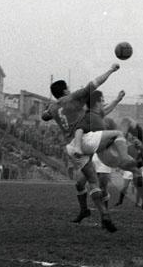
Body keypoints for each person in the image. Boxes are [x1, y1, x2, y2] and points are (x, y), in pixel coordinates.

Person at [41, 64, 121, 228]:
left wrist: (48, 112)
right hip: (87, 140)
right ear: (65, 90)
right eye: (68, 88)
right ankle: (119, 158)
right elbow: (96, 83)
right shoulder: (74, 98)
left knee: (91, 182)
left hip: (72, 147)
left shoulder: (54, 107)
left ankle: (103, 214)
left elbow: (44, 116)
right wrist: (111, 70)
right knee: (118, 135)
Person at [73, 90, 143, 221]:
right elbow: (79, 130)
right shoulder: (89, 118)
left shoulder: (97, 116)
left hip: (108, 153)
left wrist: (117, 99)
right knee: (125, 121)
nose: (104, 103)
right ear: (97, 103)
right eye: (102, 100)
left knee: (134, 171)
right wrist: (77, 146)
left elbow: (107, 109)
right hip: (106, 152)